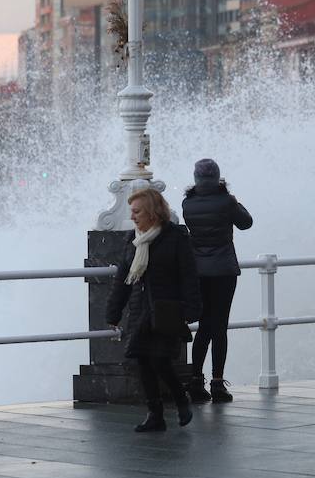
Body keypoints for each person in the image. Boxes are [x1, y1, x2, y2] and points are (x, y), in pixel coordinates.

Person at [105, 187, 202, 432]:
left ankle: (180, 398)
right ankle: (154, 414)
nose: (133, 217)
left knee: (159, 360)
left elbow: (189, 275)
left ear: (152, 212)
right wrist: (113, 313)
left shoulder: (175, 238)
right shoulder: (133, 240)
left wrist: (192, 309)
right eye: (132, 212)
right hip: (140, 310)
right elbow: (122, 280)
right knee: (142, 361)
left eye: (137, 212)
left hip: (165, 309)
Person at [182, 158, 253, 403]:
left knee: (204, 326)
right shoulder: (226, 202)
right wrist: (233, 200)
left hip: (199, 272)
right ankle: (217, 383)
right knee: (219, 327)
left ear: (196, 178)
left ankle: (194, 380)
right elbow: (246, 223)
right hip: (223, 271)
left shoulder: (187, 204)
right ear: (217, 176)